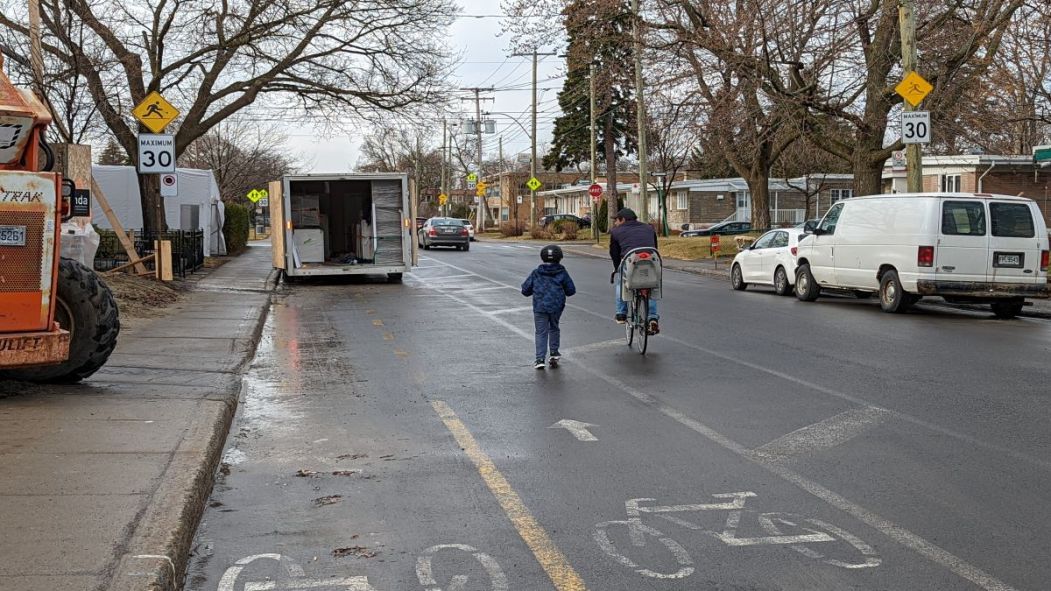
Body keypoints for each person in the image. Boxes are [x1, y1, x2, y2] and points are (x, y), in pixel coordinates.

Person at [521, 244, 576, 369]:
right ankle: (554, 352)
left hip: (540, 306)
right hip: (556, 306)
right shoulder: (562, 272)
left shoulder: (536, 273)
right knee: (554, 327)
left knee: (541, 332)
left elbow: (525, 290)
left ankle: (540, 358)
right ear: (560, 257)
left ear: (542, 257)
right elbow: (571, 290)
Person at [610, 207, 659, 334]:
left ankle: (621, 313)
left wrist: (617, 268)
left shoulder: (616, 232)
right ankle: (652, 318)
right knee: (651, 286)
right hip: (651, 261)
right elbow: (654, 246)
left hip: (630, 261)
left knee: (622, 283)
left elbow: (614, 253)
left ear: (623, 219)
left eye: (617, 220)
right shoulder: (649, 228)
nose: (615, 223)